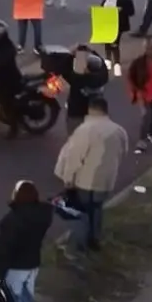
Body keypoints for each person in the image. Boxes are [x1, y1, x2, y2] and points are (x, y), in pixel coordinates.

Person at [54, 96, 127, 255]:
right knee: (97, 209)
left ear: (90, 109)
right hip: (106, 180)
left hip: (85, 180)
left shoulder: (85, 130)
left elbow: (75, 157)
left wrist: (68, 178)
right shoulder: (118, 130)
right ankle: (95, 240)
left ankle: (77, 248)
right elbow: (123, 151)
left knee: (82, 213)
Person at [63, 45, 110, 135]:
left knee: (75, 138)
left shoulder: (77, 78)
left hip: (76, 114)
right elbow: (103, 65)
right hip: (96, 114)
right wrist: (93, 52)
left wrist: (71, 55)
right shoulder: (102, 77)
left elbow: (64, 69)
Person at [100, 0, 135, 76]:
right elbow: (102, 5)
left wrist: (121, 10)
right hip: (107, 22)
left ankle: (117, 64)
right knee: (107, 42)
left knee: (114, 44)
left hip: (118, 24)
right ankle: (108, 61)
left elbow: (131, 12)